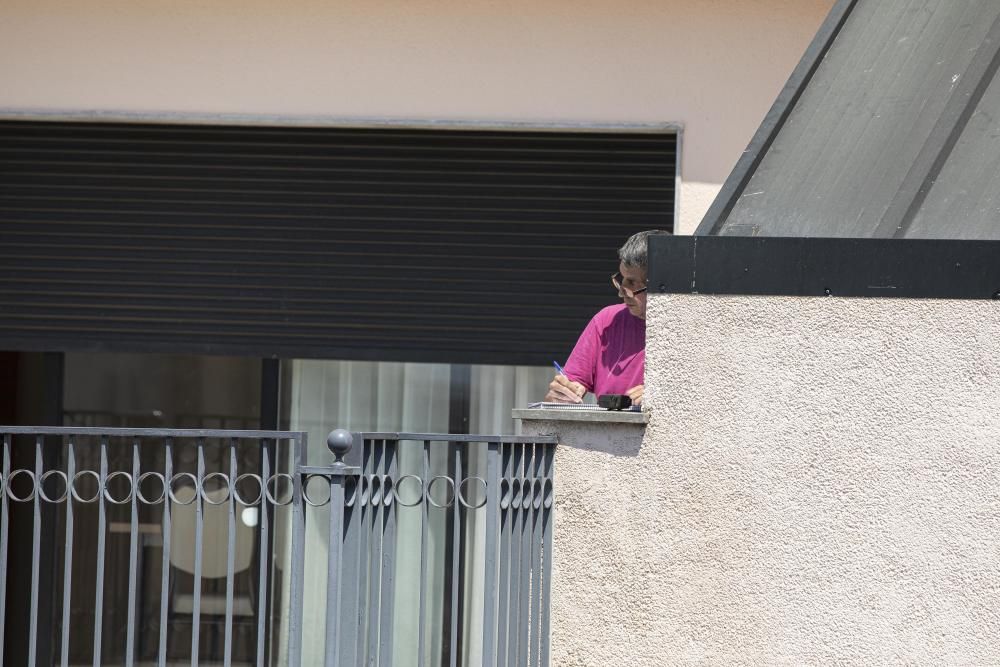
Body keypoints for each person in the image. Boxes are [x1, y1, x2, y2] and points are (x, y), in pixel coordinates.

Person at [544, 229, 670, 407]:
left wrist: (663, 397)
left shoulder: (688, 326)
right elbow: (571, 384)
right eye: (621, 279)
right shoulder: (606, 320)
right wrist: (560, 395)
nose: (621, 293)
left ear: (660, 284)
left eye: (632, 283)